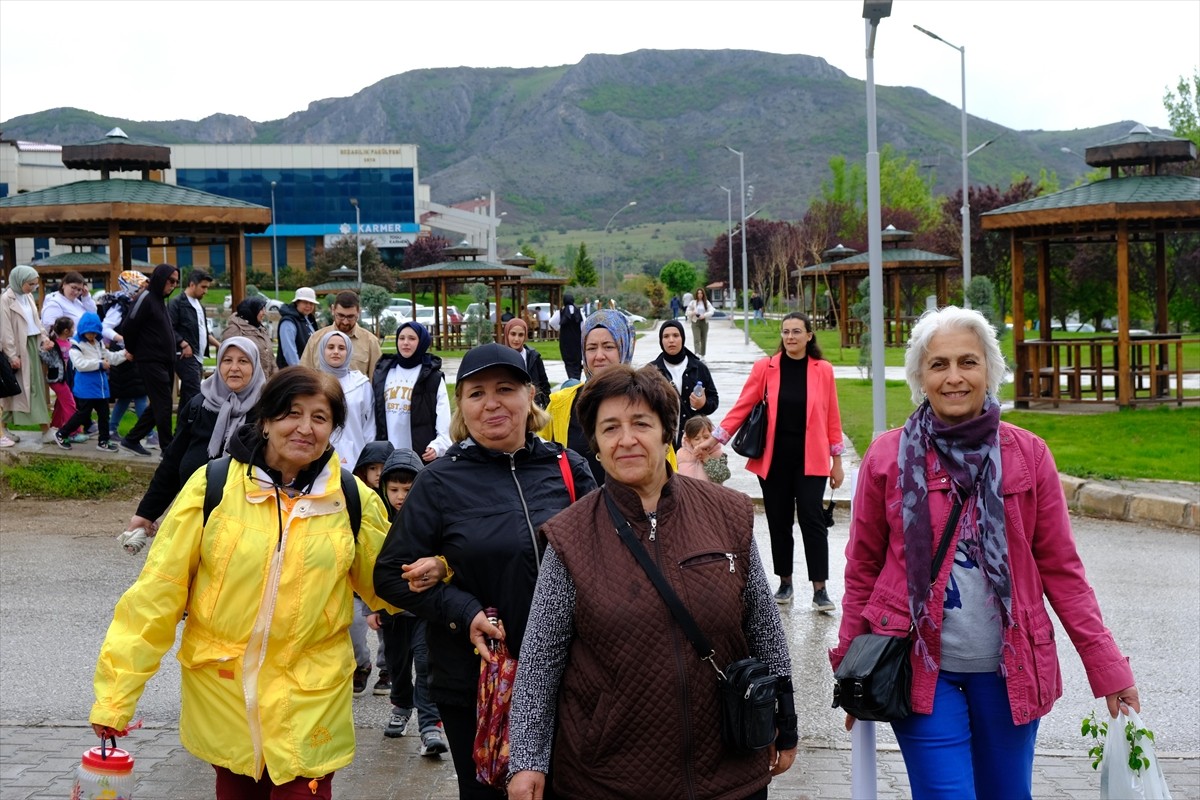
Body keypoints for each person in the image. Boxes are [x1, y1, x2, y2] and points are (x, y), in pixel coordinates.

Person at [832, 306, 1140, 800]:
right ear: (920, 377)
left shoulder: (1028, 454)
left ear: (989, 371)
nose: (954, 377)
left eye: (968, 362)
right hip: (918, 668)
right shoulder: (887, 457)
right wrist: (850, 663)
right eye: (939, 365)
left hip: (1011, 668)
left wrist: (1108, 667)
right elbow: (862, 567)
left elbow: (1062, 570)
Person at [90, 366, 397, 800]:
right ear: (266, 420)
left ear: (333, 429)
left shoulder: (352, 501)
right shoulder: (213, 486)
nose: (305, 428)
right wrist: (115, 698)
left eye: (320, 417)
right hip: (228, 695)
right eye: (292, 413)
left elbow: (390, 587)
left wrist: (441, 569)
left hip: (311, 698)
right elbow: (157, 594)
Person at [507, 365, 797, 800]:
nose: (626, 439)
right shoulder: (570, 537)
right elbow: (540, 661)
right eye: (610, 428)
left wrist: (784, 716)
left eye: (641, 423)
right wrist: (528, 760)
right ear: (597, 446)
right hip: (610, 779)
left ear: (666, 433)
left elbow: (763, 625)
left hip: (729, 771)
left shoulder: (727, 512)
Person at [374, 344, 596, 800]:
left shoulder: (567, 468)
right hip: (476, 682)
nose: (492, 403)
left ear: (529, 395)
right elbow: (390, 575)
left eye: (505, 389)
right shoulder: (439, 481)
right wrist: (461, 609)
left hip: (568, 678)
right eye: (476, 393)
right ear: (461, 406)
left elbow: (606, 556)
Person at [714, 312, 844, 610]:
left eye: (797, 331)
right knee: (779, 521)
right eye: (786, 332)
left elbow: (832, 418)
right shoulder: (766, 367)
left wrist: (837, 462)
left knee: (813, 521)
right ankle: (785, 583)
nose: (790, 337)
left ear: (809, 336)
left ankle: (820, 589)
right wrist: (717, 438)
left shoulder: (822, 370)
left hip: (811, 461)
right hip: (773, 462)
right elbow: (743, 406)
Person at [124, 337, 266, 538]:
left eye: (243, 361)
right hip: (195, 514)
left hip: (246, 523)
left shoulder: (267, 411)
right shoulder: (199, 405)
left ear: (255, 365)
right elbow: (172, 462)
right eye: (227, 360)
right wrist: (146, 513)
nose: (234, 368)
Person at [370, 448, 449, 756]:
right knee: (397, 663)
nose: (401, 496)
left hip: (422, 609)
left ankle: (430, 725)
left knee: (424, 660)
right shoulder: (377, 520)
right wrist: (370, 606)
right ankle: (401, 706)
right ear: (383, 489)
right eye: (394, 489)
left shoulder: (429, 518)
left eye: (408, 488)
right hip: (390, 611)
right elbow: (367, 566)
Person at [540, 308, 636, 485]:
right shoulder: (561, 404)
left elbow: (665, 470)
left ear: (624, 348)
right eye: (591, 348)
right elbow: (538, 463)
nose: (599, 356)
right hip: (575, 509)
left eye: (608, 346)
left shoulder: (644, 401)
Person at [119, 263, 181, 456]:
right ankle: (167, 448)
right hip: (150, 360)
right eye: (170, 281)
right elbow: (128, 326)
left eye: (176, 282)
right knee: (163, 404)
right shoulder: (145, 298)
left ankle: (131, 439)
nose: (172, 285)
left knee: (159, 404)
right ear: (160, 278)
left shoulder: (159, 300)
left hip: (164, 361)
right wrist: (132, 349)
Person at [371, 321, 451, 463]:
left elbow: (444, 420)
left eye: (412, 339)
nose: (405, 343)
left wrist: (437, 446)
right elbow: (374, 415)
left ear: (422, 342)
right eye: (401, 338)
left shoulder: (433, 377)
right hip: (388, 455)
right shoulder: (384, 372)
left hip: (420, 456)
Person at [351, 441, 394, 697]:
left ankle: (387, 668)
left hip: (385, 579)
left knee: (387, 630)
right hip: (359, 580)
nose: (378, 473)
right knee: (355, 626)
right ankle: (361, 664)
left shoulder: (400, 497)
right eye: (373, 468)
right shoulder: (355, 497)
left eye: (383, 467)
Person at [54, 312, 129, 452]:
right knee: (82, 414)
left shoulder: (98, 342)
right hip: (86, 388)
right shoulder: (75, 345)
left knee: (104, 415)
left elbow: (110, 357)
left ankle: (104, 441)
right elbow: (80, 364)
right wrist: (100, 364)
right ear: (82, 330)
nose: (92, 336)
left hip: (101, 388)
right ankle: (61, 433)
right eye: (89, 333)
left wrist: (124, 354)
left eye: (94, 333)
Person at [1, 265, 55, 445]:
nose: (33, 287)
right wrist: (12, 355)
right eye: (29, 284)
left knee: (33, 389)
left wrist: (44, 338)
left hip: (32, 345)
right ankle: (42, 429)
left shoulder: (28, 297)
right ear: (19, 281)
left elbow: (36, 321)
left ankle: (7, 427)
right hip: (19, 349)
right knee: (19, 390)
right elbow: (5, 330)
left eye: (34, 284)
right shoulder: (6, 299)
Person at [649, 319, 719, 448]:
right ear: (661, 341)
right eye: (666, 336)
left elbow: (714, 401)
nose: (671, 340)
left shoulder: (698, 367)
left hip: (693, 442)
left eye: (676, 335)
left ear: (683, 338)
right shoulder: (651, 371)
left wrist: (702, 404)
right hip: (662, 443)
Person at [315, 330, 374, 470]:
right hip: (318, 456)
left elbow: (369, 425)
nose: (336, 352)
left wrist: (369, 458)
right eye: (330, 347)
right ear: (322, 350)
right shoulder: (312, 382)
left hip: (355, 456)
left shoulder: (361, 384)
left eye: (341, 348)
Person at [169, 269, 220, 413]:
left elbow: (203, 331)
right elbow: (169, 328)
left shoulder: (199, 306)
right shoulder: (177, 303)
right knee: (196, 393)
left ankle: (181, 433)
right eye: (203, 287)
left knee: (187, 398)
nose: (206, 291)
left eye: (207, 287)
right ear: (192, 284)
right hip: (185, 356)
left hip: (198, 357)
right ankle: (198, 430)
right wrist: (183, 343)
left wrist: (219, 345)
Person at [301, 290, 382, 379]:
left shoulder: (370, 342)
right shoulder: (316, 339)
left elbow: (376, 381)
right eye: (340, 315)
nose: (345, 322)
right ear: (332, 310)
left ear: (358, 312)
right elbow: (303, 376)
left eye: (350, 316)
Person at [222, 295, 277, 381]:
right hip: (246, 385)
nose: (264, 313)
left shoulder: (261, 329)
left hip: (265, 385)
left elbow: (271, 359)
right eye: (261, 310)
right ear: (251, 311)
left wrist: (276, 380)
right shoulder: (235, 331)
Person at [43, 316, 80, 440]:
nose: (74, 330)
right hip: (57, 379)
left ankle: (55, 425)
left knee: (60, 404)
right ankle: (73, 431)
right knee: (70, 403)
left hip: (67, 378)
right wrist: (44, 349)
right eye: (72, 327)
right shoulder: (53, 344)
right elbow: (45, 358)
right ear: (66, 331)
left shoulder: (70, 343)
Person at [502, 318, 550, 408]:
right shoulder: (500, 358)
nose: (516, 339)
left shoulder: (534, 357)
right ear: (507, 334)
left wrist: (545, 405)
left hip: (533, 407)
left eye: (521, 335)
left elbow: (544, 385)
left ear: (525, 336)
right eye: (513, 334)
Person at [275, 286, 318, 368]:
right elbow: (289, 353)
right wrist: (300, 372)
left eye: (311, 303)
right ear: (297, 302)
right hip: (294, 374)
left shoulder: (308, 319)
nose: (309, 306)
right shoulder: (288, 322)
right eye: (305, 302)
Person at [676, 414, 726, 484]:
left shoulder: (719, 454)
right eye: (697, 439)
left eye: (706, 437)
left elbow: (722, 476)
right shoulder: (680, 454)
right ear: (688, 440)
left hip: (709, 494)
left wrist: (707, 459)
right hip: (687, 493)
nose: (702, 441)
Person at [550, 293, 584, 380]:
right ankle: (577, 377)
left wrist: (558, 328)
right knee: (577, 361)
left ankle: (571, 378)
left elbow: (552, 322)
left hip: (565, 341)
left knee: (568, 362)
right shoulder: (579, 312)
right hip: (577, 340)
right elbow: (584, 325)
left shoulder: (560, 312)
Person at [686, 286, 716, 358]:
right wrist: (693, 312)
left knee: (703, 339)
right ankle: (697, 353)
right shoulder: (693, 303)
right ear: (696, 294)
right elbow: (687, 312)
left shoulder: (706, 302)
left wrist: (704, 315)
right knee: (697, 338)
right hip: (695, 322)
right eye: (698, 293)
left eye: (701, 293)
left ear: (703, 294)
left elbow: (712, 311)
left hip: (704, 322)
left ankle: (703, 354)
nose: (700, 295)